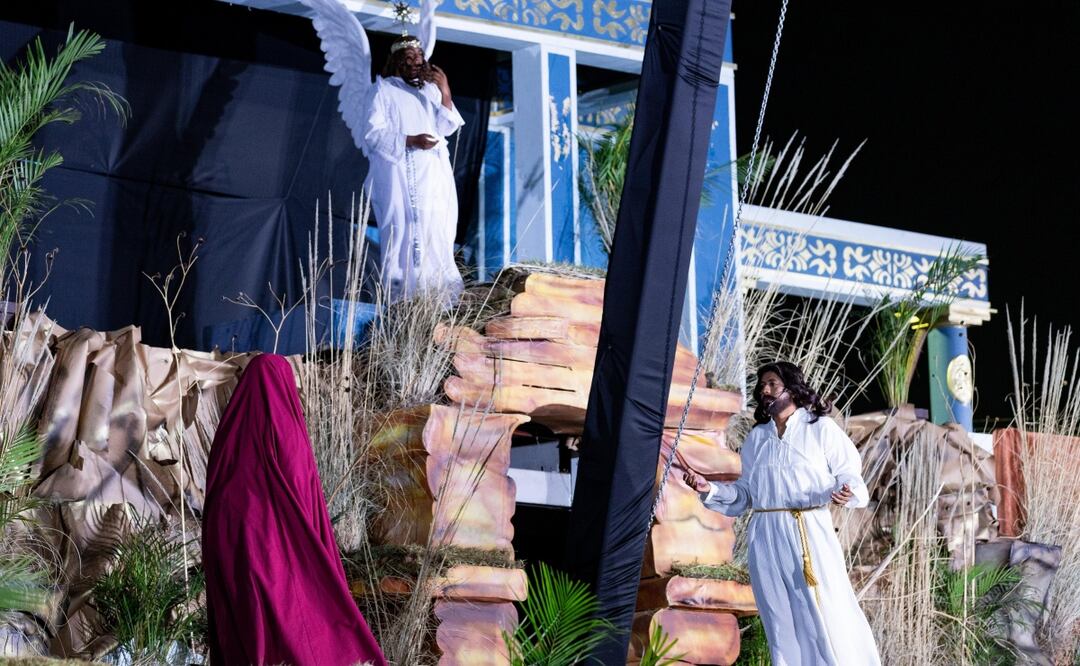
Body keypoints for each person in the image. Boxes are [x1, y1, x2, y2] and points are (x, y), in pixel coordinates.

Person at [683, 361, 881, 665]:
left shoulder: (820, 428)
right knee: (778, 616)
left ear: (792, 387)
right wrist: (709, 488)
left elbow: (849, 474)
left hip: (807, 531)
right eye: (762, 385)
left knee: (820, 609)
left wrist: (847, 491)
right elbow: (745, 494)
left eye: (772, 383)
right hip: (765, 535)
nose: (765, 390)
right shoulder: (757, 439)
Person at [202, 354, 386, 666]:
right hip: (281, 560)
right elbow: (304, 489)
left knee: (247, 634)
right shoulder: (289, 434)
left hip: (237, 558)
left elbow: (215, 513)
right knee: (295, 635)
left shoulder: (227, 446)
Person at [364, 34, 465, 302]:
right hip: (401, 173)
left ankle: (441, 297)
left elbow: (447, 127)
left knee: (438, 228)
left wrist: (444, 90)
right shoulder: (383, 90)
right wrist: (411, 141)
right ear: (397, 62)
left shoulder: (430, 92)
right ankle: (403, 297)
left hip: (433, 174)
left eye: (419, 58)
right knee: (403, 230)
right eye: (408, 58)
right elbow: (373, 134)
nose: (414, 63)